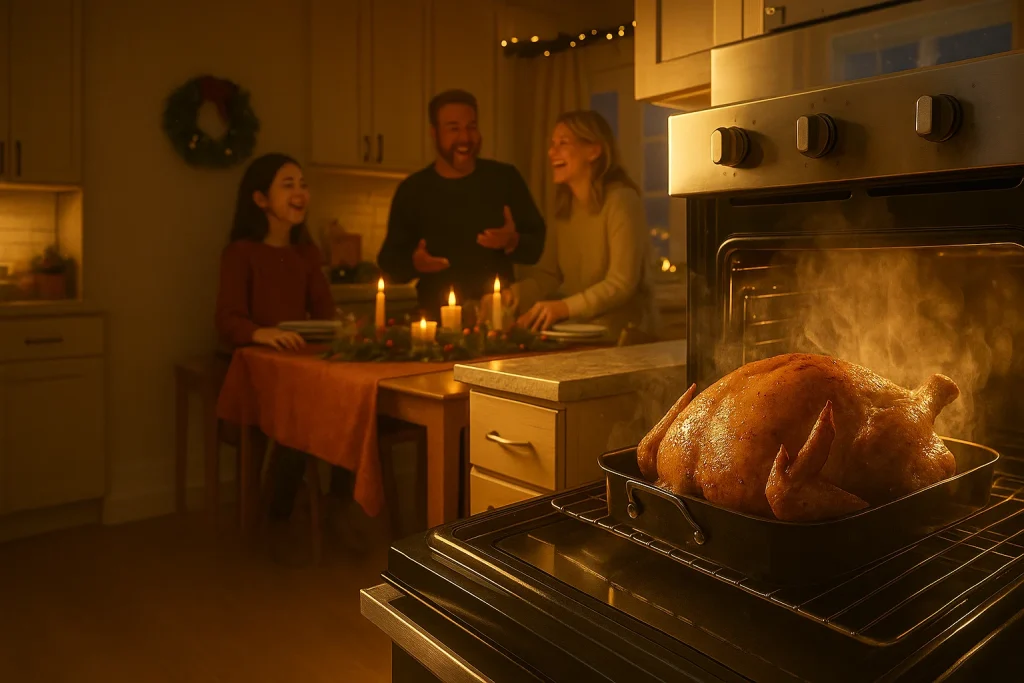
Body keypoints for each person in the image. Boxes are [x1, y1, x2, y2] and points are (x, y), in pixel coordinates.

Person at [215, 153, 360, 564]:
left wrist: (342, 327)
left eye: (303, 184)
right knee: (302, 411)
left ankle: (337, 502)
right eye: (288, 184)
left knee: (347, 399)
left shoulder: (307, 254)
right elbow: (227, 319)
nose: (300, 192)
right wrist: (260, 332)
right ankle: (279, 506)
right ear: (261, 199)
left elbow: (325, 313)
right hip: (261, 370)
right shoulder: (240, 253)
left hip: (301, 365)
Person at [377, 89, 546, 318]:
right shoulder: (413, 190)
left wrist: (512, 241)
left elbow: (537, 247)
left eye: (471, 127)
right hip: (434, 321)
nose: (465, 138)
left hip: (496, 318)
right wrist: (415, 264)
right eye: (454, 128)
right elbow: (389, 263)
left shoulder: (505, 179)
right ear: (434, 133)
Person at [512, 110, 658, 338]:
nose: (551, 152)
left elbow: (621, 283)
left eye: (563, 143)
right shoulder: (564, 208)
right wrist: (515, 295)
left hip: (624, 336)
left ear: (593, 151)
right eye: (552, 144)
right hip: (575, 333)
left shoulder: (621, 200)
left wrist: (564, 308)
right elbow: (549, 275)